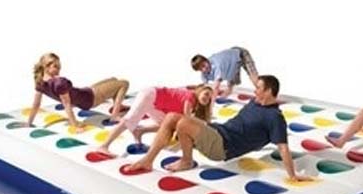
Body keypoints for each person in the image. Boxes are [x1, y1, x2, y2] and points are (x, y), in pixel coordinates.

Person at [126, 75, 310, 182]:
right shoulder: (255, 102)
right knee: (172, 117)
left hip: (223, 146)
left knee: (183, 124)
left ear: (269, 91)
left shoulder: (274, 117)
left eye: (259, 88)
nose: (255, 91)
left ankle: (186, 161)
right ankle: (148, 160)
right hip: (218, 130)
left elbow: (283, 148)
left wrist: (293, 175)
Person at [97, 85, 214, 155]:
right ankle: (104, 146)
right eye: (206, 94)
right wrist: (203, 125)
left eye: (209, 98)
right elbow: (186, 118)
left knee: (166, 125)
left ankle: (139, 131)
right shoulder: (190, 97)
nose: (207, 98)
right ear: (200, 91)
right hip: (151, 95)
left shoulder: (192, 100)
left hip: (155, 102)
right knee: (128, 120)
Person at [27, 53, 129, 132]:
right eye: (56, 66)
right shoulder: (59, 83)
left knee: (113, 79)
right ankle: (114, 116)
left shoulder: (40, 82)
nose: (59, 69)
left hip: (86, 91)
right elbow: (67, 105)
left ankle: (119, 104)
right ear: (46, 66)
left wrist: (29, 122)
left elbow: (36, 105)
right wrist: (75, 125)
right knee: (124, 83)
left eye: (59, 66)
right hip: (91, 98)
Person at [190, 46, 259, 97]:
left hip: (240, 54)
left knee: (253, 77)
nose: (204, 69)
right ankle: (229, 89)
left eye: (203, 65)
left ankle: (261, 91)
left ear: (206, 60)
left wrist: (211, 103)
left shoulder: (217, 65)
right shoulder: (204, 73)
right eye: (200, 69)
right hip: (231, 62)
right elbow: (204, 86)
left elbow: (216, 86)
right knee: (231, 75)